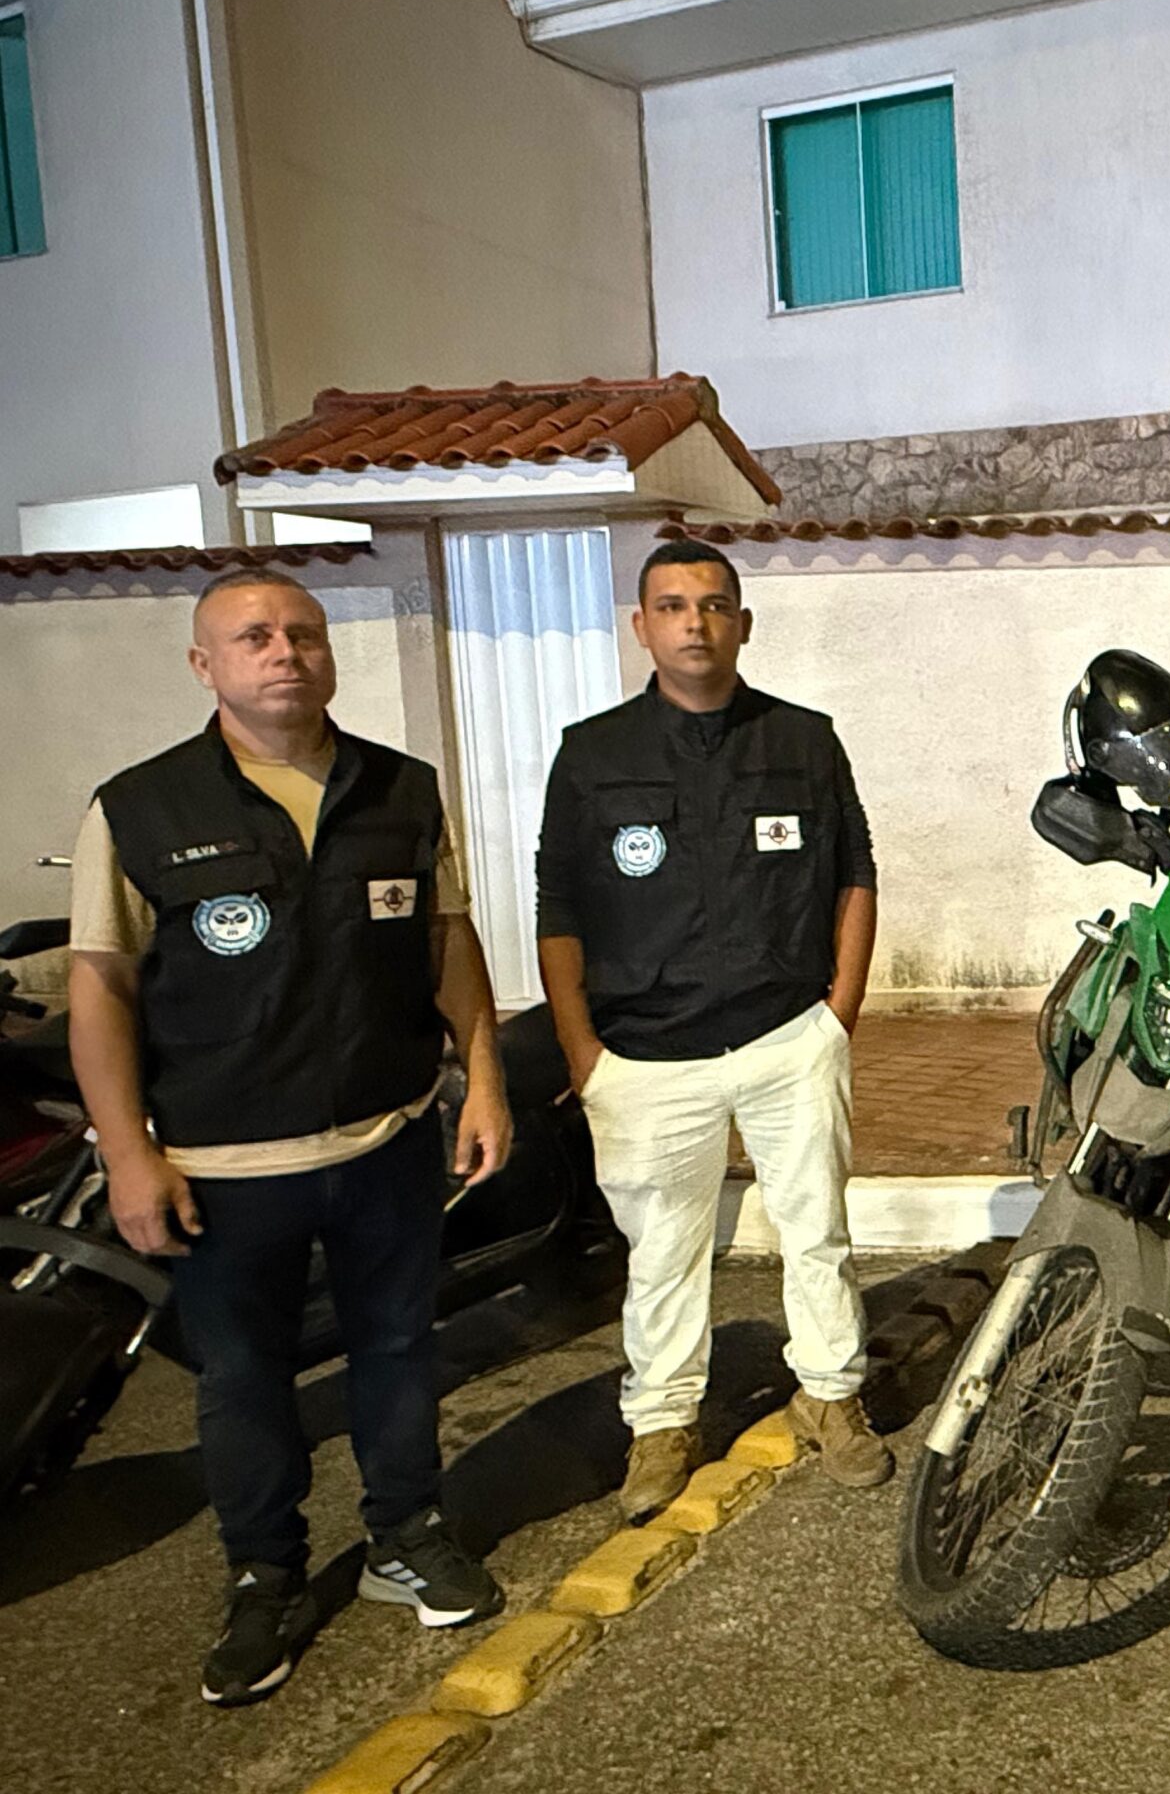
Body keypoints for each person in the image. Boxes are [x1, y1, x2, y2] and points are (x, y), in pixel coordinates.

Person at [66, 567, 511, 1708]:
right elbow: (102, 987)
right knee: (243, 1379)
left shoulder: (401, 789)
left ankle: (405, 1534)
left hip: (385, 1138)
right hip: (225, 1167)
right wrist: (128, 1153)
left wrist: (484, 1080)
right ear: (203, 664)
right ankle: (263, 1575)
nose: (285, 653)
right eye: (254, 636)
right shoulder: (141, 808)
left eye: (304, 634)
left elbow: (447, 942)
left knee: (398, 1350)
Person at [537, 538, 886, 1520]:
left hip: (786, 1034)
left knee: (816, 1232)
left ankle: (831, 1395)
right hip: (645, 1054)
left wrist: (838, 1013)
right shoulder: (593, 754)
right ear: (642, 626)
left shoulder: (804, 740)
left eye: (714, 604)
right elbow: (558, 909)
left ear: (743, 623)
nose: (695, 622)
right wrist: (582, 1051)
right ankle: (661, 1424)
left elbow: (855, 874)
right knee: (662, 1252)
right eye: (673, 605)